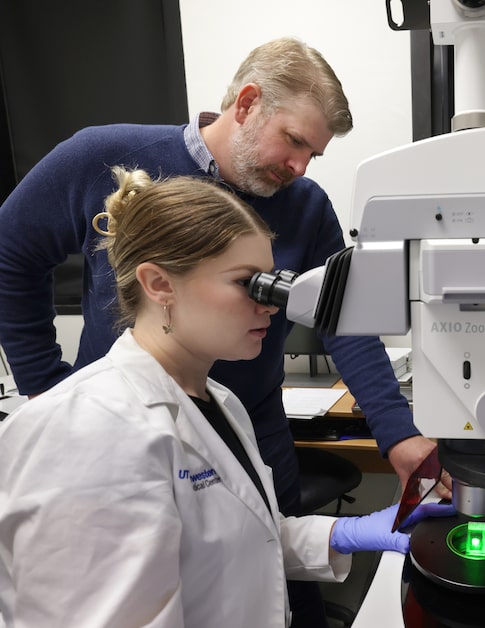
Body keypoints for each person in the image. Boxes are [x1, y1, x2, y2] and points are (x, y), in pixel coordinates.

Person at [0, 38, 450, 626]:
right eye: (294, 141)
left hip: (233, 417)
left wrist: (392, 444)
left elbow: (342, 320)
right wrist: (48, 389)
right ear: (247, 102)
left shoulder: (301, 212)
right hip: (120, 423)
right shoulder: (101, 156)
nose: (300, 168)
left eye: (313, 154)